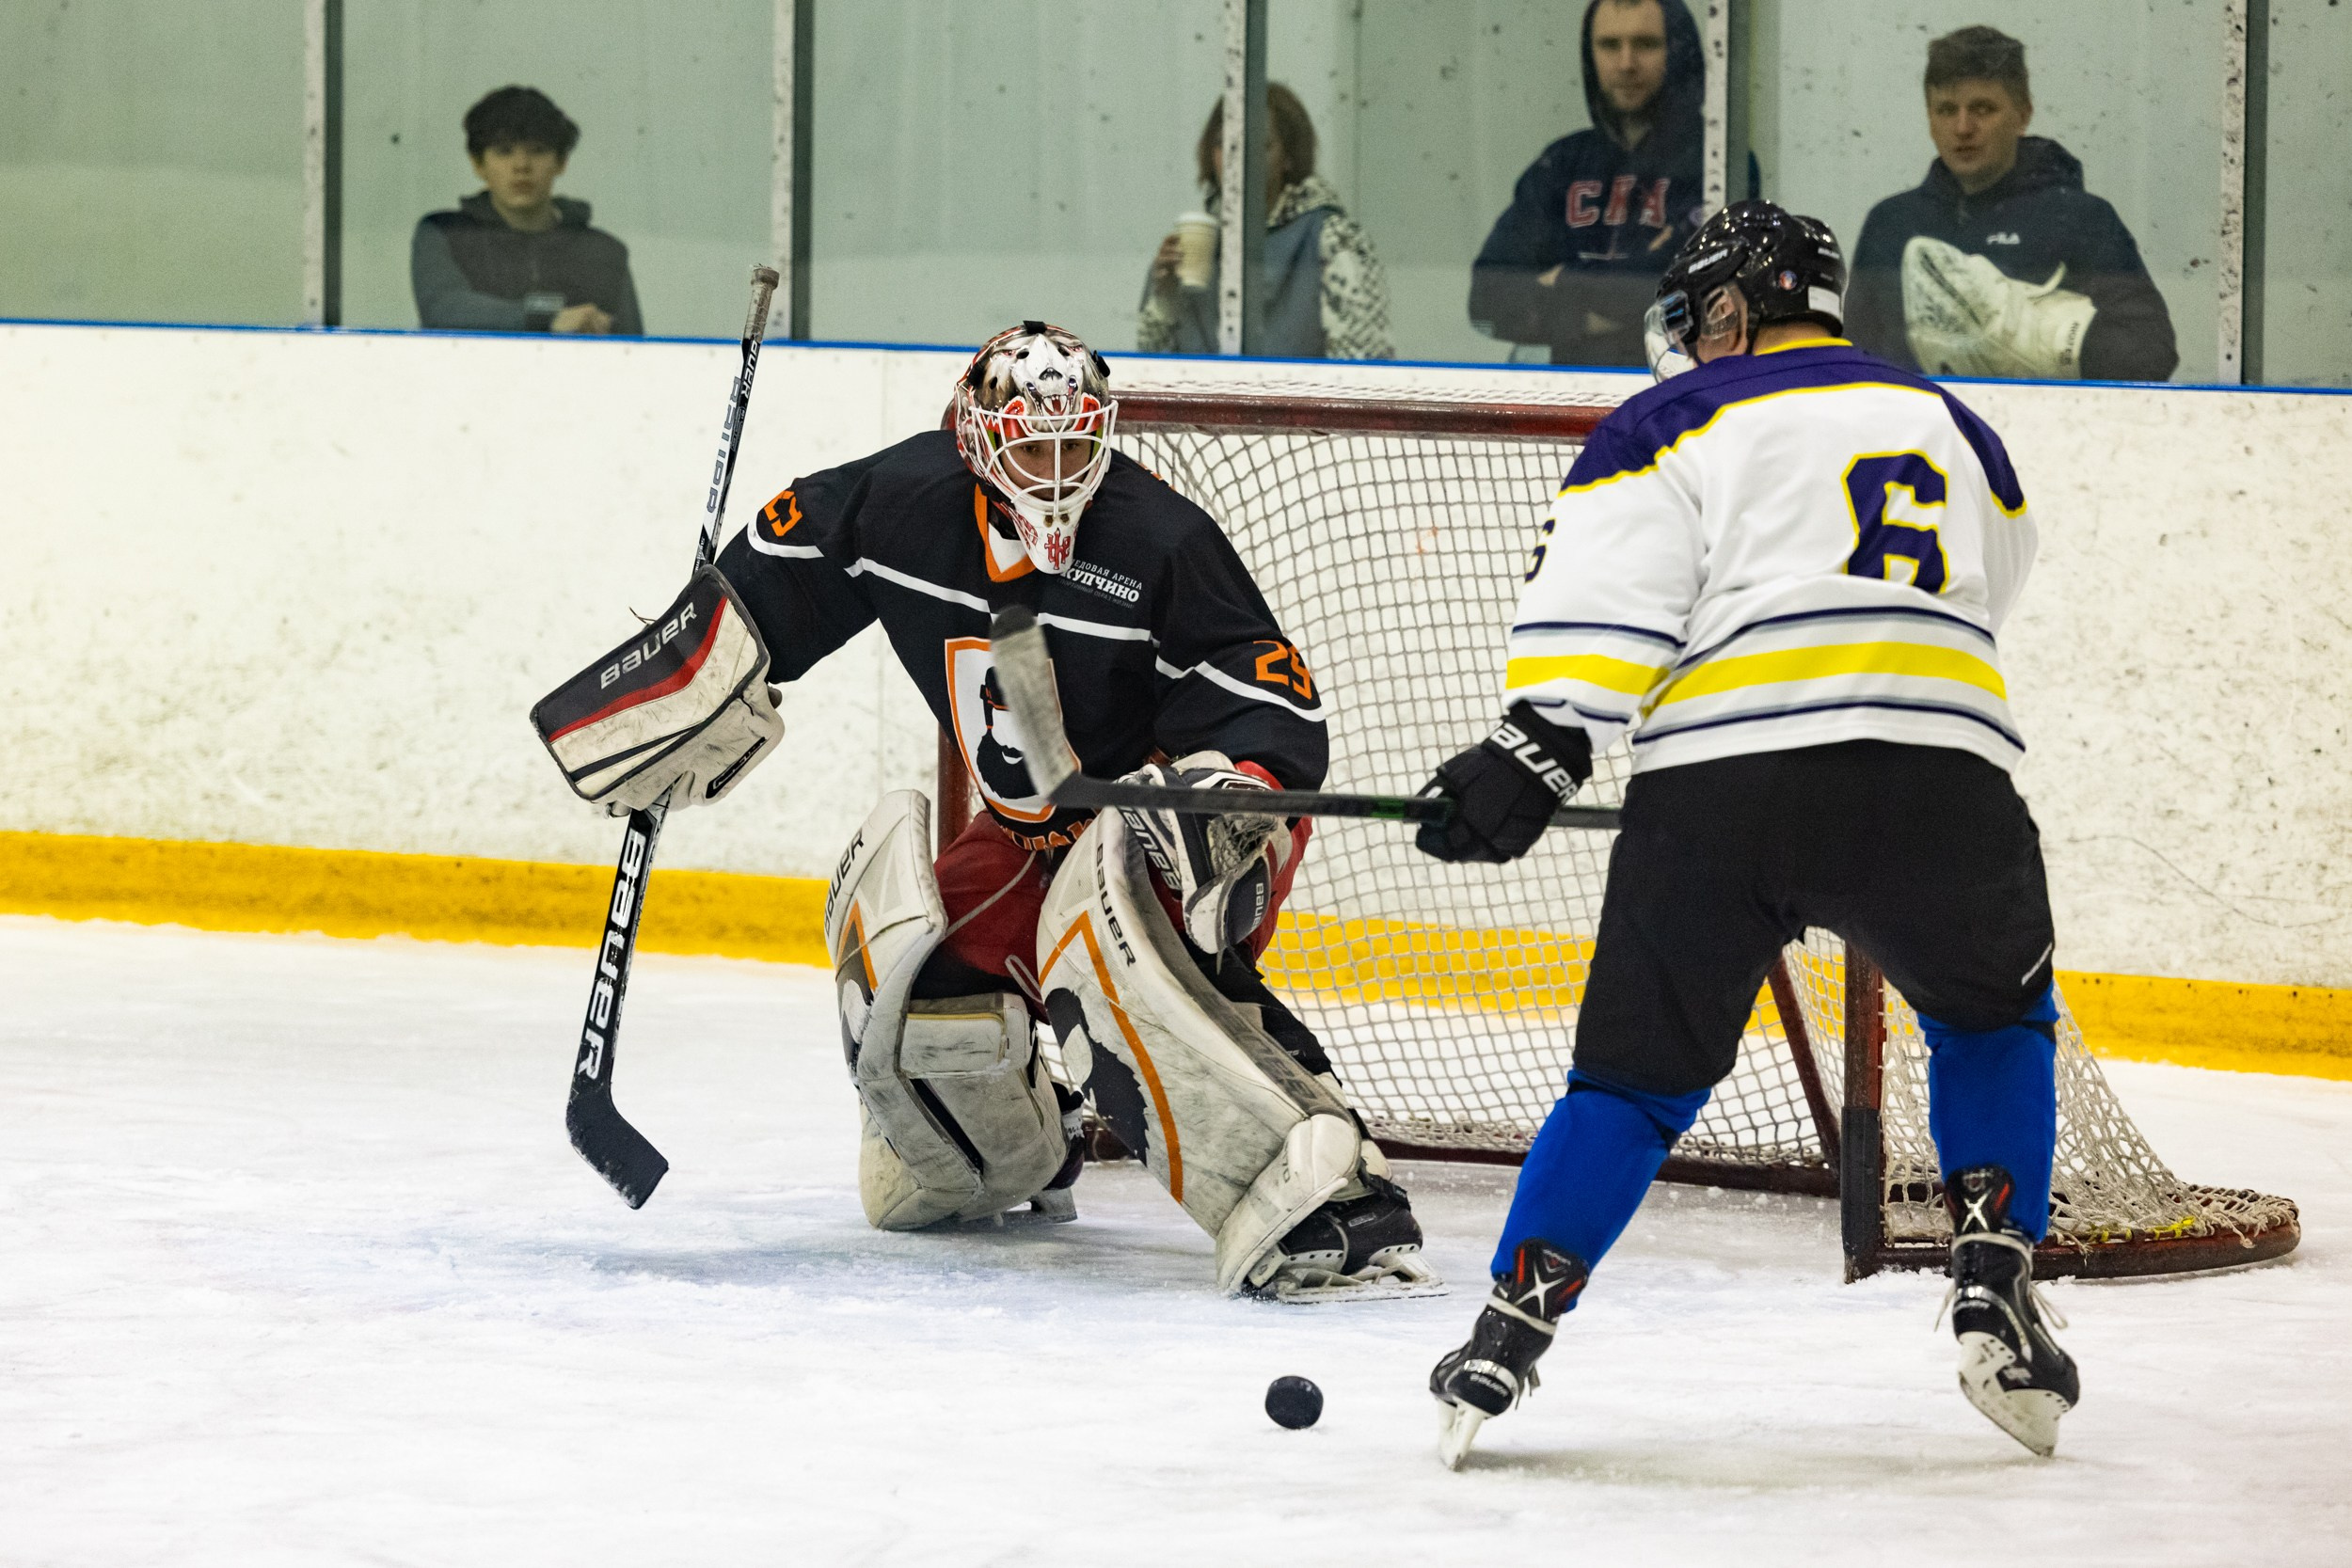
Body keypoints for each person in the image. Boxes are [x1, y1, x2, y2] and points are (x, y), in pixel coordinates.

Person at [533, 322, 1434, 1303]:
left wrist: (1229, 797)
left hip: (1166, 828)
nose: (1054, 472)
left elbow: (1273, 697)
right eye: (1029, 447)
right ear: (974, 440)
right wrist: (683, 678)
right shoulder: (898, 504)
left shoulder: (1158, 540)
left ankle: (1339, 1191)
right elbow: (767, 575)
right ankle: (1015, 1153)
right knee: (910, 984)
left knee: (1105, 961)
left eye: (1074, 444)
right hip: (1026, 833)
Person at [1416, 202, 2077, 1464]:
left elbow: (1610, 599)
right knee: (1992, 1017)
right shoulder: (1955, 421)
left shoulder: (1670, 420)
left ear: (1731, 305)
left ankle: (1508, 1329)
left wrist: (1539, 744)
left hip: (1725, 787)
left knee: (1632, 1079)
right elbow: (2001, 567)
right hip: (1941, 774)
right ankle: (1994, 1273)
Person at [1846, 26, 2176, 382]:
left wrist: (2040, 338)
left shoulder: (2082, 220)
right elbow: (1853, 358)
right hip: (1920, 435)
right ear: (1929, 118)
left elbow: (2151, 354)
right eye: (1945, 110)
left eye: (1983, 109)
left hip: (2043, 433)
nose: (1962, 127)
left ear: (2023, 114)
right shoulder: (1890, 226)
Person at [1468, 0, 1708, 368]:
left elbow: (1693, 300)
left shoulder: (1716, 159)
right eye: (1610, 45)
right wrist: (1617, 298)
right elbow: (1488, 299)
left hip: (1675, 396)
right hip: (1570, 396)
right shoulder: (1563, 164)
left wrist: (1560, 281)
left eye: (1645, 44)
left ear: (1676, 52)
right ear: (1590, 55)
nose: (1626, 63)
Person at [1138, 85, 1391, 359]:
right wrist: (1165, 298)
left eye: (1259, 143)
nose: (1237, 157)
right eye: (1224, 143)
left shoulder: (1334, 238)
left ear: (1289, 157)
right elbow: (1152, 363)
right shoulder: (1197, 240)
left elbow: (1365, 365)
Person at [412, 86, 644, 337]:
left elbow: (633, 350)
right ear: (478, 165)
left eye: (537, 150)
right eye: (504, 151)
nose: (521, 166)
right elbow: (444, 310)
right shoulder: (443, 232)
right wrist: (548, 318)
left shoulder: (605, 252)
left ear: (561, 162)